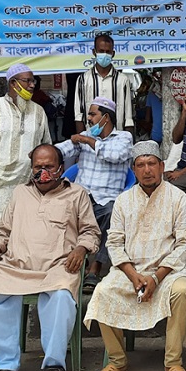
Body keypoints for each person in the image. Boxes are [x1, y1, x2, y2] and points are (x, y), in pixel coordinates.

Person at [0, 144, 100, 371]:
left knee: (62, 297)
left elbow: (91, 232)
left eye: (49, 167)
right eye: (38, 167)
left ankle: (54, 364)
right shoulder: (20, 193)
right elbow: (3, 233)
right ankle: (5, 364)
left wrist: (81, 249)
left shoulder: (77, 194)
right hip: (15, 266)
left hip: (57, 266)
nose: (43, 172)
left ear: (61, 168)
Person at [84, 140, 186, 371]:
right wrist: (133, 275)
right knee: (102, 292)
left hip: (168, 271)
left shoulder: (179, 198)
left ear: (162, 166)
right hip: (129, 271)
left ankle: (173, 362)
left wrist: (156, 277)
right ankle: (117, 361)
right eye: (141, 165)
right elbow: (113, 243)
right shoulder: (123, 201)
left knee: (180, 291)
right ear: (133, 170)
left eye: (152, 164)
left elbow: (185, 244)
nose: (147, 170)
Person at [56, 97, 134, 294]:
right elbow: (63, 149)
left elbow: (114, 155)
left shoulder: (124, 138)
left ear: (105, 117)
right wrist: (46, 153)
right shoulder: (86, 135)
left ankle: (95, 268)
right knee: (57, 210)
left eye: (92, 114)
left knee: (112, 213)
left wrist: (87, 140)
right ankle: (64, 263)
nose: (88, 119)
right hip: (82, 195)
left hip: (108, 197)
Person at [0, 63, 51, 235]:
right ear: (13, 83)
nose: (32, 85)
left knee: (27, 231)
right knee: (2, 232)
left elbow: (47, 145)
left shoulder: (38, 112)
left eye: (33, 81)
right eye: (27, 81)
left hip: (29, 183)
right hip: (1, 183)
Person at [73, 34, 138, 134]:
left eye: (108, 52)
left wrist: (129, 142)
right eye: (101, 51)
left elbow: (128, 118)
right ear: (94, 52)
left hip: (117, 138)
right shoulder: (83, 80)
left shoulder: (122, 80)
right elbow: (79, 115)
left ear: (113, 53)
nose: (105, 54)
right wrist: (82, 142)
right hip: (90, 138)